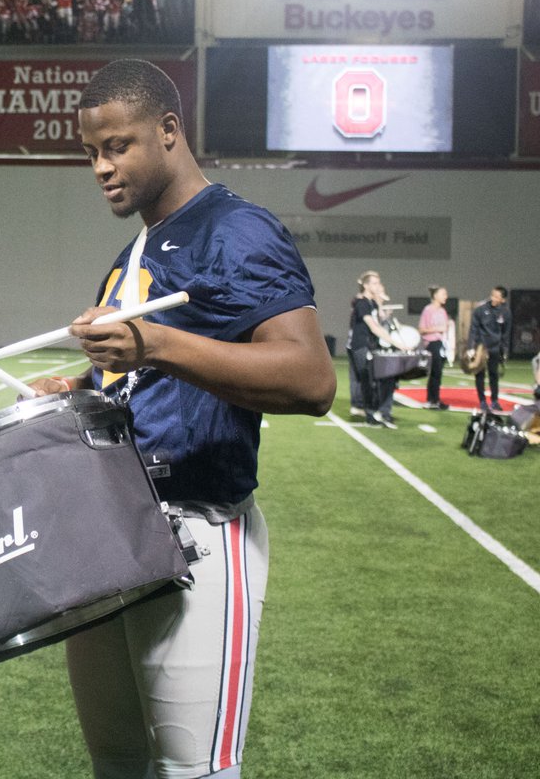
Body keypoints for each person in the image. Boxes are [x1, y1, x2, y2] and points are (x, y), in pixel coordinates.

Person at [28, 59, 335, 779]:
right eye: (90, 153)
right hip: (111, 532)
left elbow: (311, 378)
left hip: (196, 529)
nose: (101, 167)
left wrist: (155, 343)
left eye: (117, 146)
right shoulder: (133, 250)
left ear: (169, 131)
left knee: (192, 770)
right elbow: (140, 381)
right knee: (119, 764)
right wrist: (75, 385)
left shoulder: (237, 230)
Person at [347, 271, 398, 428]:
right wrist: (397, 343)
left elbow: (382, 319)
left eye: (378, 282)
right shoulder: (362, 303)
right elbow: (374, 327)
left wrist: (381, 300)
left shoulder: (372, 303)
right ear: (366, 285)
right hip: (361, 345)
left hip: (371, 345)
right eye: (374, 283)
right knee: (367, 381)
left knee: (376, 380)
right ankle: (370, 414)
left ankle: (377, 411)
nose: (378, 286)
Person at [468, 286, 512, 411]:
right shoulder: (481, 310)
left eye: (497, 296)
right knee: (480, 374)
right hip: (481, 347)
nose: (493, 298)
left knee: (494, 375)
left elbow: (506, 333)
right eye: (493, 294)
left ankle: (494, 400)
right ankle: (482, 401)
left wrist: (504, 350)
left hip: (495, 348)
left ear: (503, 299)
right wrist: (471, 346)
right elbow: (474, 329)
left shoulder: (506, 312)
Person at [417, 284, 451, 409]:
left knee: (438, 373)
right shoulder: (428, 310)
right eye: (443, 294)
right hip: (432, 343)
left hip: (441, 343)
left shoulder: (442, 311)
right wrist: (437, 329)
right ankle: (432, 399)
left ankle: (435, 399)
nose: (446, 297)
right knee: (435, 373)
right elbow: (421, 329)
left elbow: (446, 328)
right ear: (435, 295)